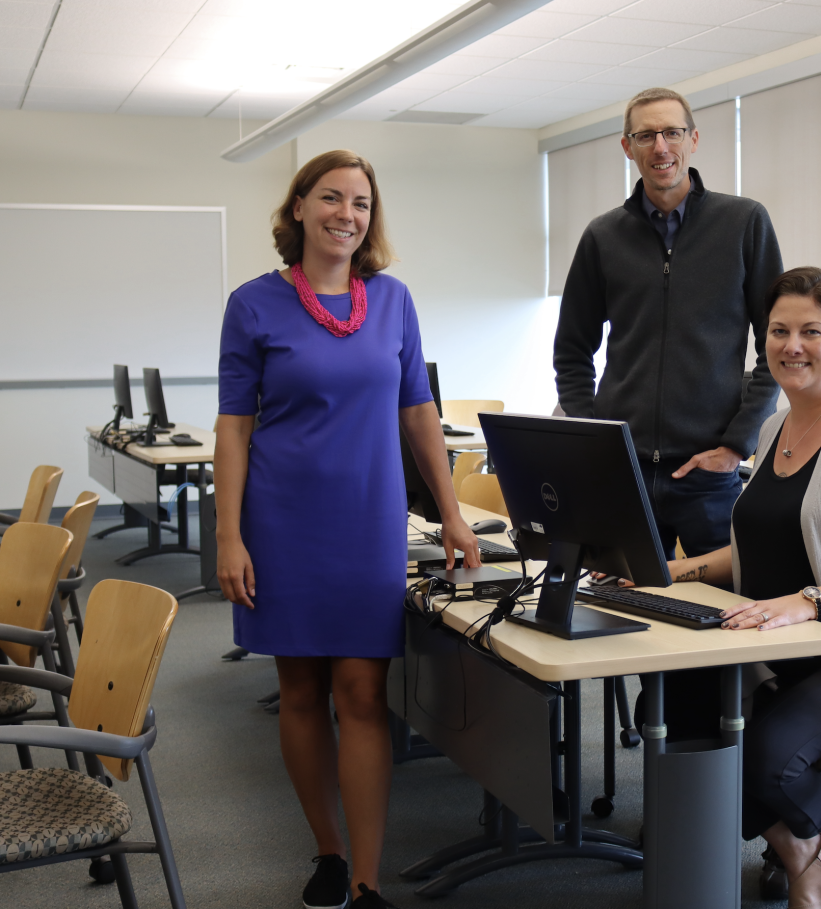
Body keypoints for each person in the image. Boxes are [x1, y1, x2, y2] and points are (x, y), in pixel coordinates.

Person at [625, 267, 821, 908]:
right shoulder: (774, 427)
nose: (791, 345)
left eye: (811, 331)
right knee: (674, 718)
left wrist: (808, 601)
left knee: (764, 759)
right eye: (778, 331)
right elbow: (746, 553)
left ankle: (814, 846)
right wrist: (656, 575)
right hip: (782, 646)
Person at [214, 149, 480, 909]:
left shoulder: (391, 300)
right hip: (280, 518)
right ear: (298, 207)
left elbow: (418, 412)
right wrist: (229, 535)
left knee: (363, 694)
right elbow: (233, 427)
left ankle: (367, 879)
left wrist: (452, 509)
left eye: (361, 203)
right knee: (299, 689)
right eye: (331, 197)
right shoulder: (254, 304)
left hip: (368, 518)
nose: (346, 214)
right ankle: (327, 850)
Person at [553, 87, 784, 560]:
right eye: (645, 135)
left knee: (726, 617)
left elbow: (777, 346)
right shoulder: (603, 236)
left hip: (710, 476)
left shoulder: (743, 223)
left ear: (693, 139)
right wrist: (596, 441)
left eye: (672, 132)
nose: (661, 147)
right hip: (624, 475)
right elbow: (572, 352)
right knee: (613, 615)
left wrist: (737, 446)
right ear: (627, 147)